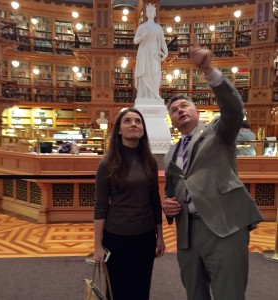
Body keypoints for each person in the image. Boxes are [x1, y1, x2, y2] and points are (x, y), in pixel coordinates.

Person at [162, 44, 263, 300]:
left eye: (185, 106)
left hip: (224, 226)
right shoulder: (171, 152)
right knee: (194, 293)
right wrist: (169, 205)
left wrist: (207, 70)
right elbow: (172, 188)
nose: (180, 111)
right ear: (171, 121)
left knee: (229, 293)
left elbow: (233, 109)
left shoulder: (219, 132)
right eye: (174, 110)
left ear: (197, 112)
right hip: (187, 235)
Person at [94, 107, 165, 300]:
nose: (134, 124)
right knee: (117, 289)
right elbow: (100, 206)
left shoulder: (149, 161)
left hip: (145, 236)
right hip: (116, 237)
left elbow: (155, 200)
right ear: (118, 129)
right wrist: (97, 246)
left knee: (141, 288)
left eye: (138, 121)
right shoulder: (107, 163)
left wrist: (160, 236)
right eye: (127, 121)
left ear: (143, 130)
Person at [134, 3, 168, 99]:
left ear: (154, 13)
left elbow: (163, 43)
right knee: (144, 72)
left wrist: (165, 54)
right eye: (148, 11)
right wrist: (142, 37)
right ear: (146, 13)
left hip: (154, 53)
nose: (150, 12)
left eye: (152, 11)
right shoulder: (141, 27)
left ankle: (154, 93)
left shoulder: (158, 28)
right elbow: (135, 41)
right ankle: (143, 95)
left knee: (155, 72)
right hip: (143, 52)